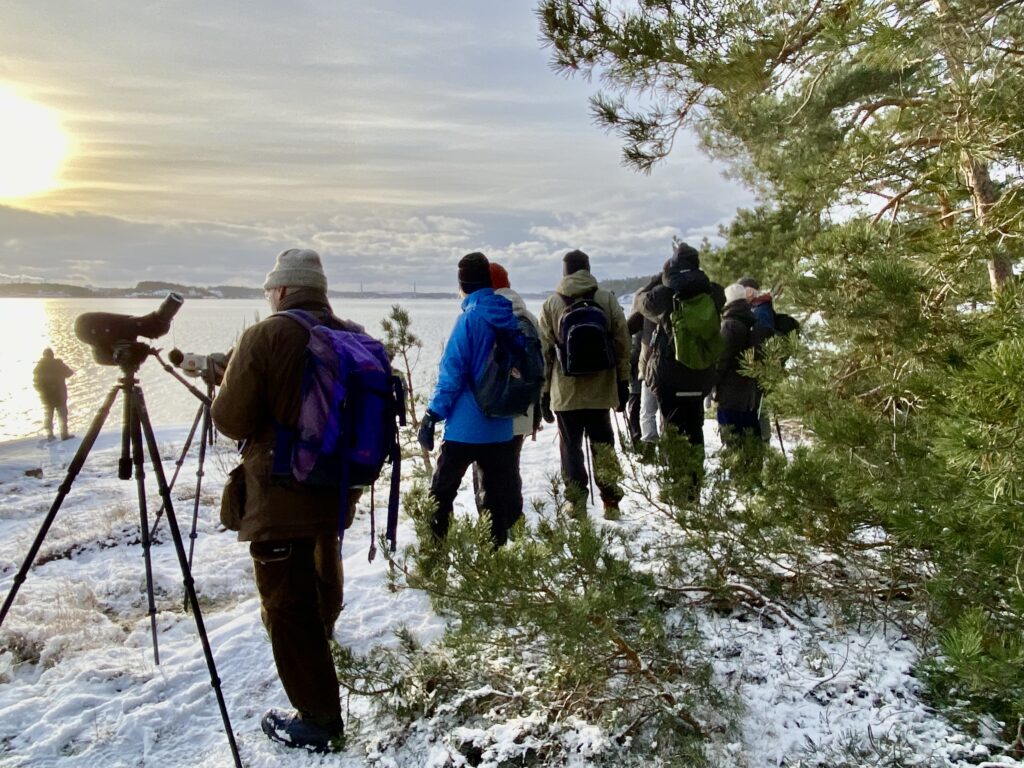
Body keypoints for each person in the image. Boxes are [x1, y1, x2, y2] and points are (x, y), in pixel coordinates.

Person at [211, 248, 357, 753]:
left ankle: (317, 719)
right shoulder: (352, 333)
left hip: (279, 494)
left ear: (279, 291)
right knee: (322, 566)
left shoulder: (266, 334)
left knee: (285, 605)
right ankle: (327, 636)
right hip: (338, 487)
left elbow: (229, 419)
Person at [418, 252, 522, 547]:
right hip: (501, 425)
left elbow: (451, 375)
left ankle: (434, 558)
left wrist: (432, 416)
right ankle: (495, 561)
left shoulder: (468, 320)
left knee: (441, 494)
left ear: (462, 284)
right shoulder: (508, 318)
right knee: (495, 499)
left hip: (465, 427)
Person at [538, 249, 631, 518]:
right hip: (601, 388)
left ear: (564, 272)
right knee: (603, 445)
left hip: (566, 391)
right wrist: (622, 381)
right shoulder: (606, 299)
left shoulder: (552, 303)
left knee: (570, 448)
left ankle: (576, 502)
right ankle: (611, 501)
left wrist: (544, 393)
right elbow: (623, 341)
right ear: (588, 270)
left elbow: (544, 351)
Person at [636, 242, 725, 495]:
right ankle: (695, 486)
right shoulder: (713, 292)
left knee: (673, 429)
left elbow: (642, 302)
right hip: (701, 375)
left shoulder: (665, 293)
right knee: (695, 428)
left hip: (671, 376)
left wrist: (659, 280)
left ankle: (678, 487)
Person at [471, 261, 542, 527]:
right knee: (511, 462)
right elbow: (540, 364)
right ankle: (515, 518)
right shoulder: (526, 315)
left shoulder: (482, 313)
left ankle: (490, 522)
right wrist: (537, 406)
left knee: (485, 466)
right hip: (521, 403)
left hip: (489, 405)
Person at [715, 282, 767, 449]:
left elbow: (721, 361)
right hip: (749, 394)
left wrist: (713, 384)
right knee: (750, 438)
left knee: (733, 440)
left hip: (731, 394)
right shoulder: (751, 321)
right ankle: (752, 471)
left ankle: (739, 471)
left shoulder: (729, 325)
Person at [33, 348, 74, 441]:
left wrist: (42, 392)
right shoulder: (58, 364)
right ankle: (64, 434)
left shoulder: (39, 367)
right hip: (59, 395)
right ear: (52, 355)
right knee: (62, 415)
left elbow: (36, 383)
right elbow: (70, 373)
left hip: (46, 397)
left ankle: (50, 435)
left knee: (48, 415)